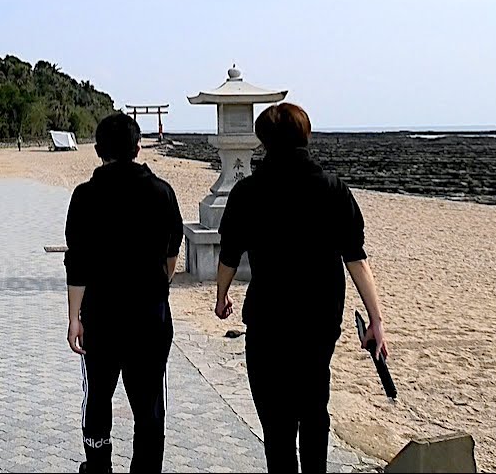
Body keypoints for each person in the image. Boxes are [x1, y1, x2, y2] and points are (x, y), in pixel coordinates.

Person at [214, 103, 389, 474]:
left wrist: (221, 295)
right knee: (313, 408)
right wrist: (375, 319)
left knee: (276, 423)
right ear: (305, 137)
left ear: (263, 141)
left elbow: (229, 253)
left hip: (268, 319)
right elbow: (356, 258)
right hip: (319, 319)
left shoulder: (248, 192)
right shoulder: (332, 188)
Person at [64, 113, 184, 473]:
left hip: (100, 317)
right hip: (150, 316)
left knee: (98, 397)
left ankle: (98, 464)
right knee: (149, 404)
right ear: (138, 147)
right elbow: (171, 253)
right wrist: (159, 285)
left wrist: (74, 318)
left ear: (98, 150)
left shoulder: (85, 196)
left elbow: (77, 263)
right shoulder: (162, 192)